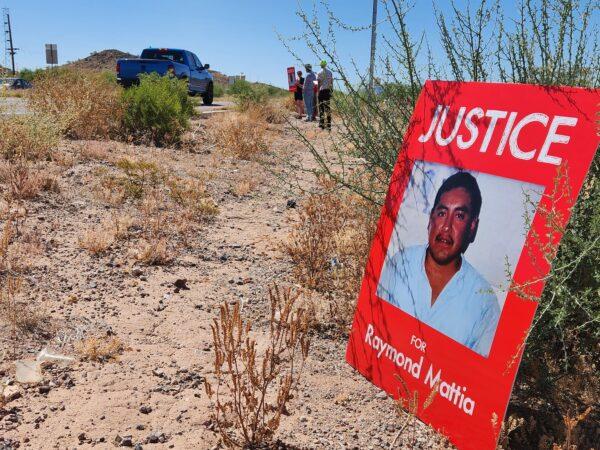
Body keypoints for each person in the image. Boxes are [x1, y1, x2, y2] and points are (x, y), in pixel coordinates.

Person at [376, 171, 500, 357]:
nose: (447, 227)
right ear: (431, 219)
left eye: (459, 216)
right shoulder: (400, 264)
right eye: (442, 213)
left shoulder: (485, 302)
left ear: (472, 228)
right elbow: (375, 328)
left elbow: (477, 377)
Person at [317, 60, 333, 129]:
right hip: (328, 91)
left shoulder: (319, 72)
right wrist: (331, 91)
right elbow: (331, 82)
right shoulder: (330, 72)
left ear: (321, 65)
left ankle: (322, 124)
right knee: (328, 108)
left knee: (321, 108)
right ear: (326, 65)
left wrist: (317, 91)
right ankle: (329, 124)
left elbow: (318, 83)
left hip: (322, 91)